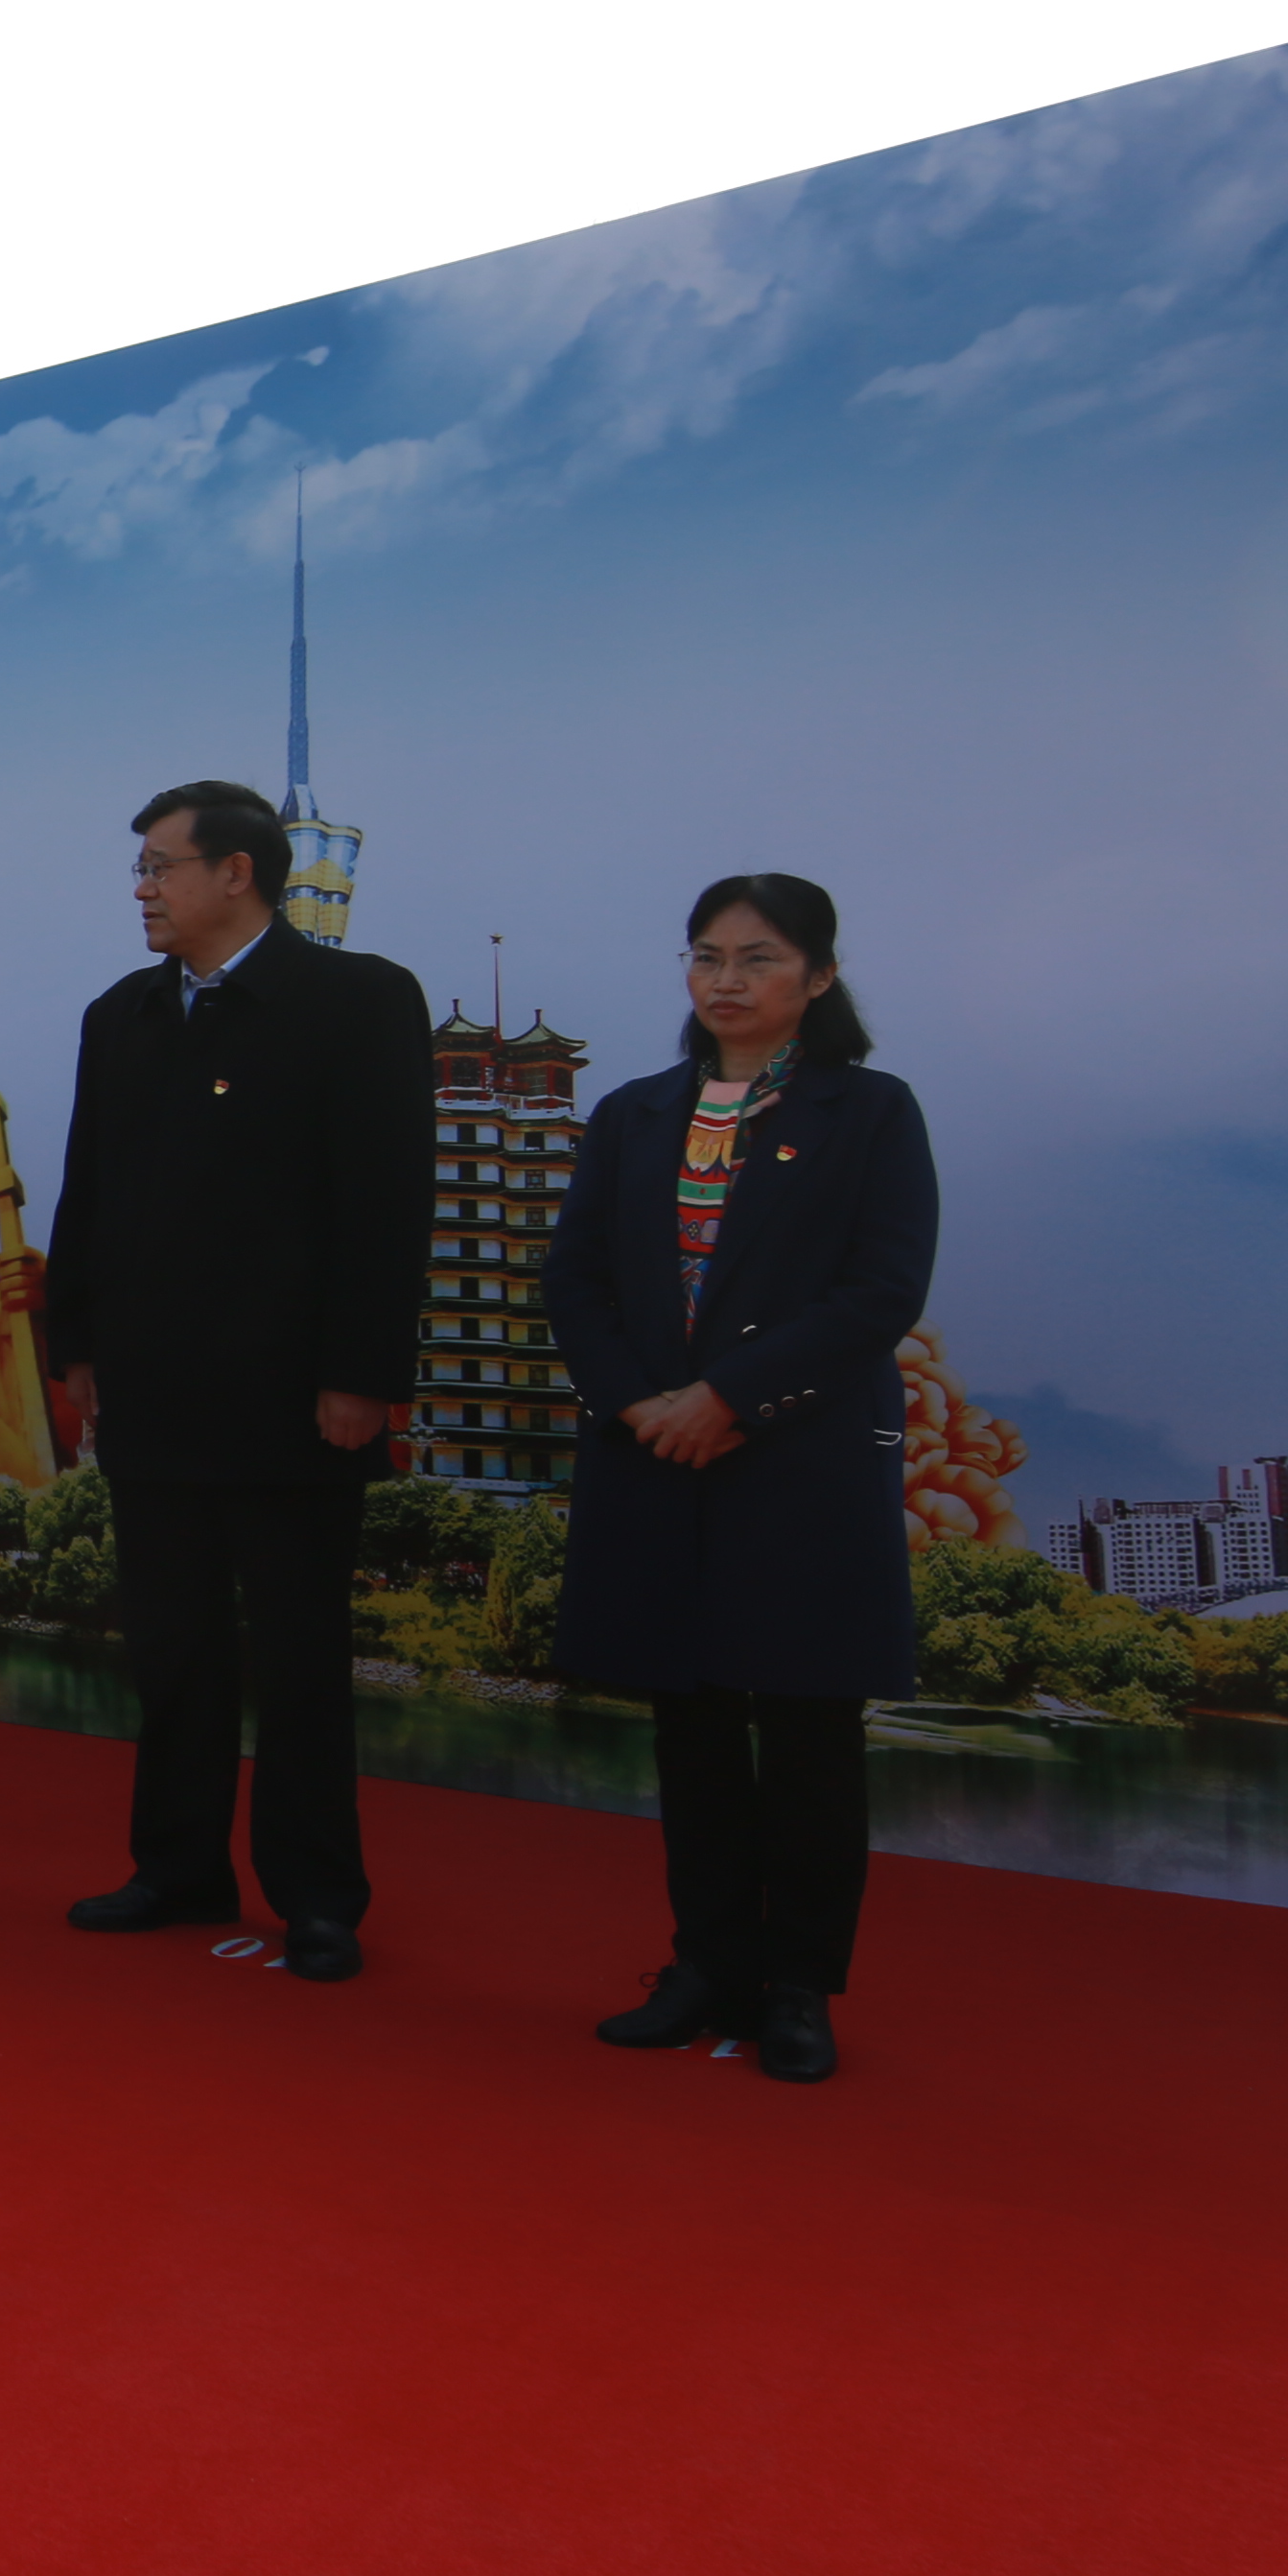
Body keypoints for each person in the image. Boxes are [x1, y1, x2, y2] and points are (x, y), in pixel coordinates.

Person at [543, 875, 937, 2088]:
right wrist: (640, 1404)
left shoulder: (870, 1111)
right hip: (656, 1453)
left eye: (758, 958)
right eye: (706, 956)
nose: (726, 980)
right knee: (694, 1727)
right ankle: (706, 1964)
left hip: (798, 1455)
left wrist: (730, 1398)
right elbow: (576, 1281)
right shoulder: (635, 1112)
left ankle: (801, 1986)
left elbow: (880, 1291)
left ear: (819, 977)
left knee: (809, 1730)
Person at [38, 781, 432, 1978]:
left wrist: (362, 1372)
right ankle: (176, 1865)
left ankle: (317, 1895)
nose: (142, 889)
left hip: (296, 1395)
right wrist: (76, 1345)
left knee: (300, 1657)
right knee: (172, 1649)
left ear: (237, 873)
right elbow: (87, 1189)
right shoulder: (123, 1013)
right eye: (141, 869)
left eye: (160, 866)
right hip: (153, 1388)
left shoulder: (357, 1000)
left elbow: (386, 1203)